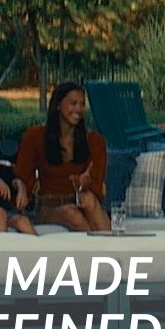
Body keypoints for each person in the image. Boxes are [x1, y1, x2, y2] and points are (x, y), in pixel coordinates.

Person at [13, 82, 109, 232]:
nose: (78, 109)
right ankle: (97, 251)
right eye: (73, 103)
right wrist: (22, 192)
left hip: (80, 200)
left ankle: (110, 248)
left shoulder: (94, 141)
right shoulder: (35, 136)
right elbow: (21, 175)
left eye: (82, 104)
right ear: (58, 104)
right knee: (72, 214)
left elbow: (96, 187)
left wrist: (84, 183)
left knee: (89, 199)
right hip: (49, 206)